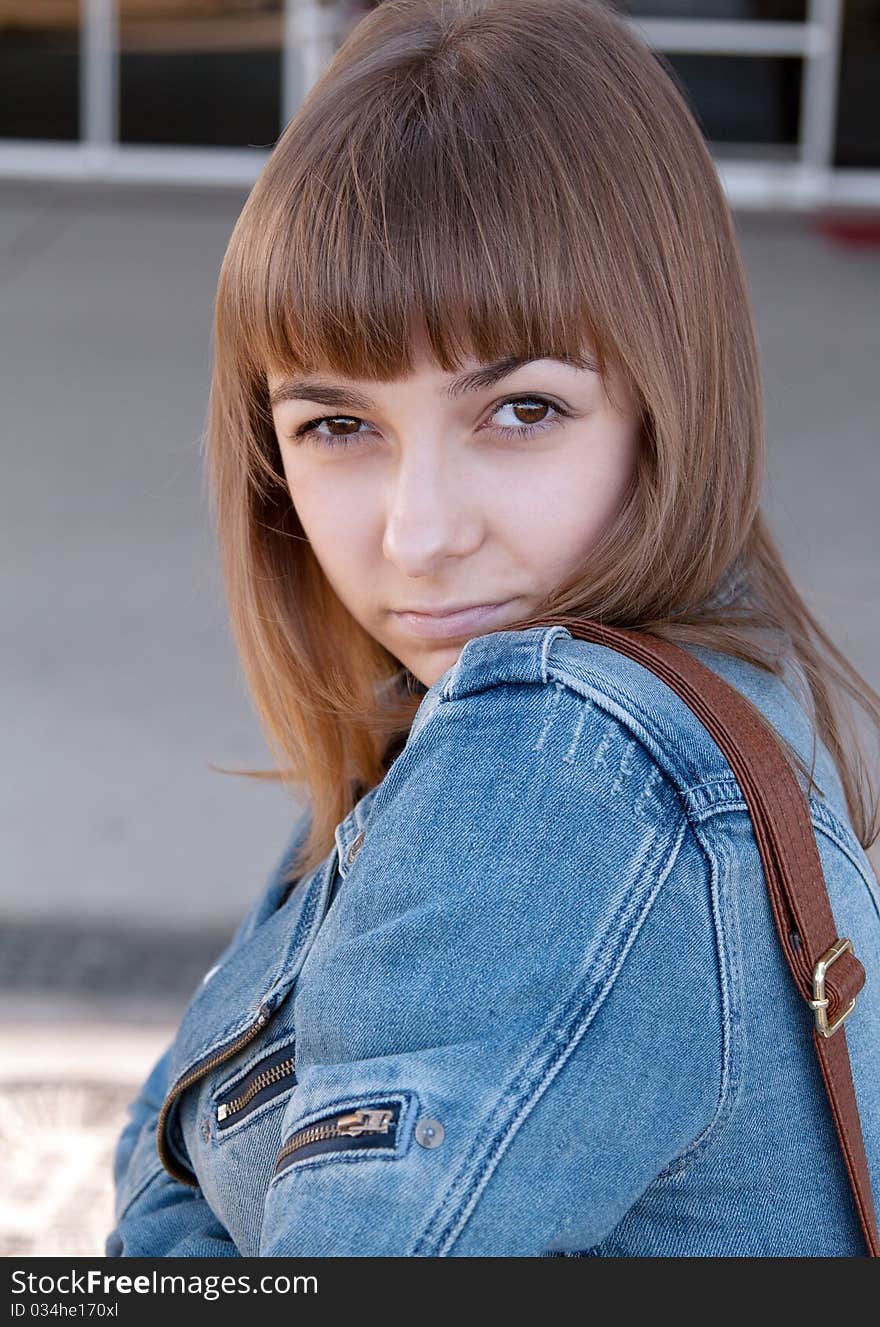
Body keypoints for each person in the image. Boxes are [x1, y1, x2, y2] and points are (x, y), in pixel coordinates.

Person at [105, 0, 880, 1257]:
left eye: (520, 409)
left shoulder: (562, 775)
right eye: (338, 426)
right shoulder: (498, 705)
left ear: (666, 396)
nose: (418, 533)